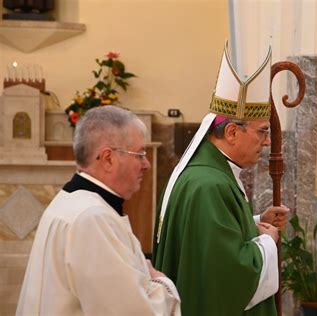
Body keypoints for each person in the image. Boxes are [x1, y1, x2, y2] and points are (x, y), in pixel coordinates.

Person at [152, 42, 289, 316]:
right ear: (232, 133)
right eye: (262, 132)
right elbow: (226, 273)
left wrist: (255, 222)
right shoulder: (208, 184)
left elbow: (207, 237)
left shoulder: (208, 172)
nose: (267, 142)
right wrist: (267, 241)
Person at [17, 106, 181, 316]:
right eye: (139, 154)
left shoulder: (71, 201)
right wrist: (161, 282)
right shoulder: (93, 219)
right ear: (108, 158)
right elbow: (132, 312)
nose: (146, 164)